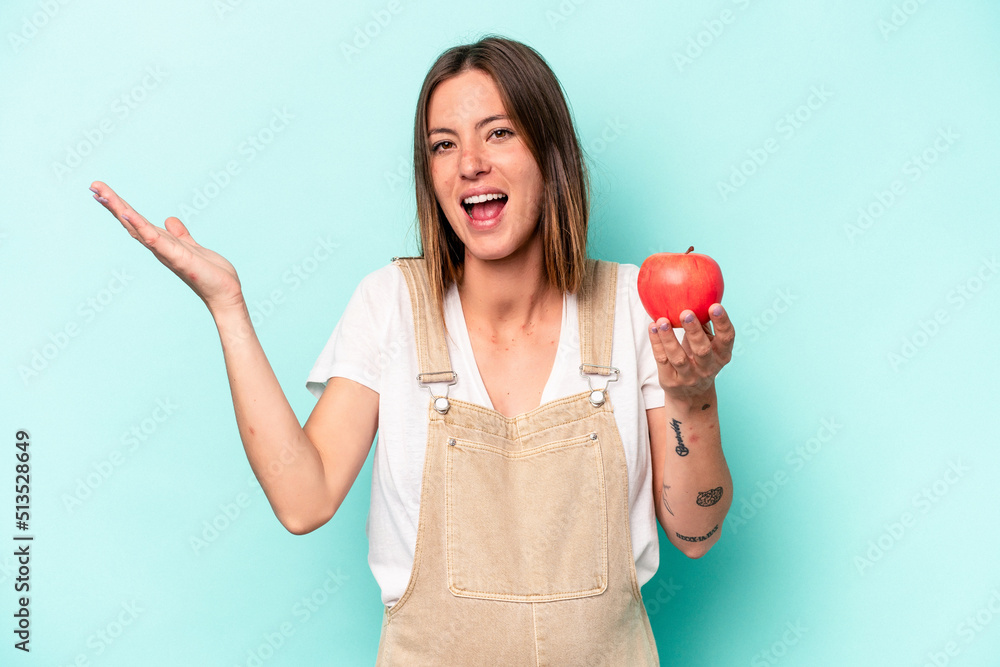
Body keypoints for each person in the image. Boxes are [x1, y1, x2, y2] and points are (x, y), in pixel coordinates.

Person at [90, 34, 734, 666]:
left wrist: (693, 396)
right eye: (443, 145)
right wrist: (227, 308)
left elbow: (695, 533)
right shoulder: (390, 305)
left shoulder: (633, 310)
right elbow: (303, 499)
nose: (470, 162)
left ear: (551, 152)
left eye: (499, 132)